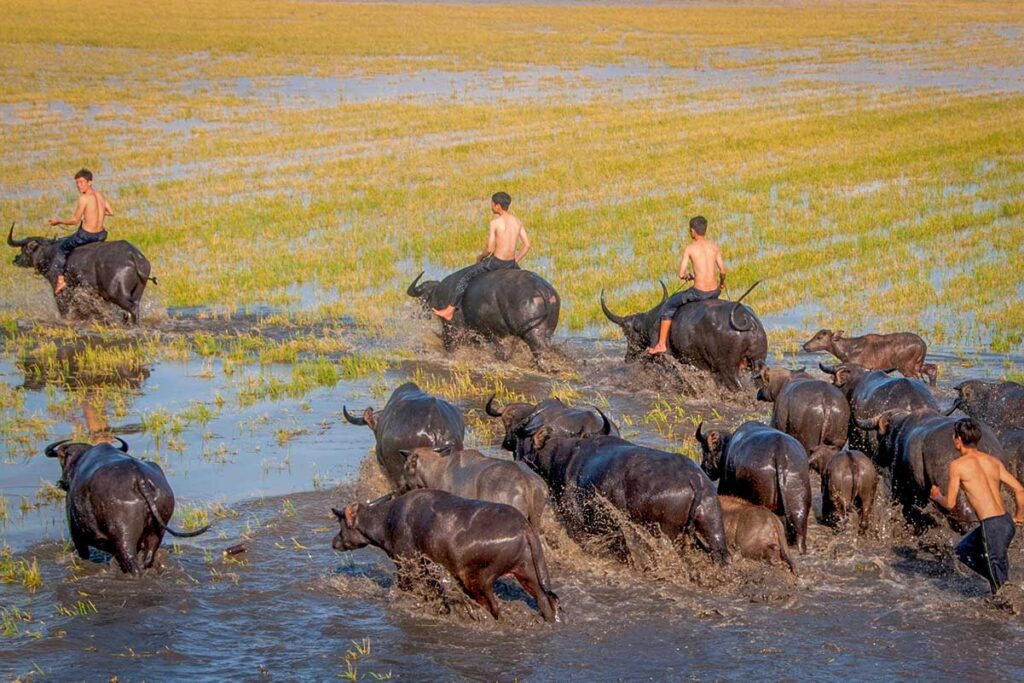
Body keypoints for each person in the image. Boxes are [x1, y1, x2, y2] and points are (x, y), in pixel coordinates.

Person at [930, 417, 1024, 595]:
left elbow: (950, 504)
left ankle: (1008, 602)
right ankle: (1002, 585)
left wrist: (937, 496)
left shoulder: (957, 465)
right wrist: (1019, 517)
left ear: (958, 440)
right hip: (1005, 522)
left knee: (1000, 587)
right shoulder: (993, 461)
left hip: (992, 526)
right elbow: (1020, 490)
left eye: (954, 437)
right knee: (963, 551)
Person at [432, 191, 530, 321]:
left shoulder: (495, 223)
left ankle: (449, 311)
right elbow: (527, 245)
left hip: (496, 262)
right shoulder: (518, 222)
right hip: (511, 263)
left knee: (465, 279)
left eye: (492, 203)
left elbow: (489, 249)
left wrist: (480, 257)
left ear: (498, 206)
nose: (491, 206)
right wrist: (515, 260)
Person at [646, 215, 726, 354]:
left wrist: (688, 276)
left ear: (692, 231)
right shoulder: (714, 247)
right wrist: (721, 284)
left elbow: (681, 274)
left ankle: (661, 344)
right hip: (714, 291)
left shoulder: (690, 248)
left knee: (668, 306)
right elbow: (723, 271)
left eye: (690, 231)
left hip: (699, 293)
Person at [47, 168, 113, 294]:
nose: (78, 185)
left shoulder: (83, 198)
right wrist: (92, 213)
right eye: (77, 183)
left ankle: (60, 281)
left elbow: (75, 220)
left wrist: (58, 221)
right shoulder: (100, 195)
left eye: (81, 182)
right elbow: (110, 212)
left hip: (86, 236)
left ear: (90, 182)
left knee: (62, 248)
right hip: (101, 235)